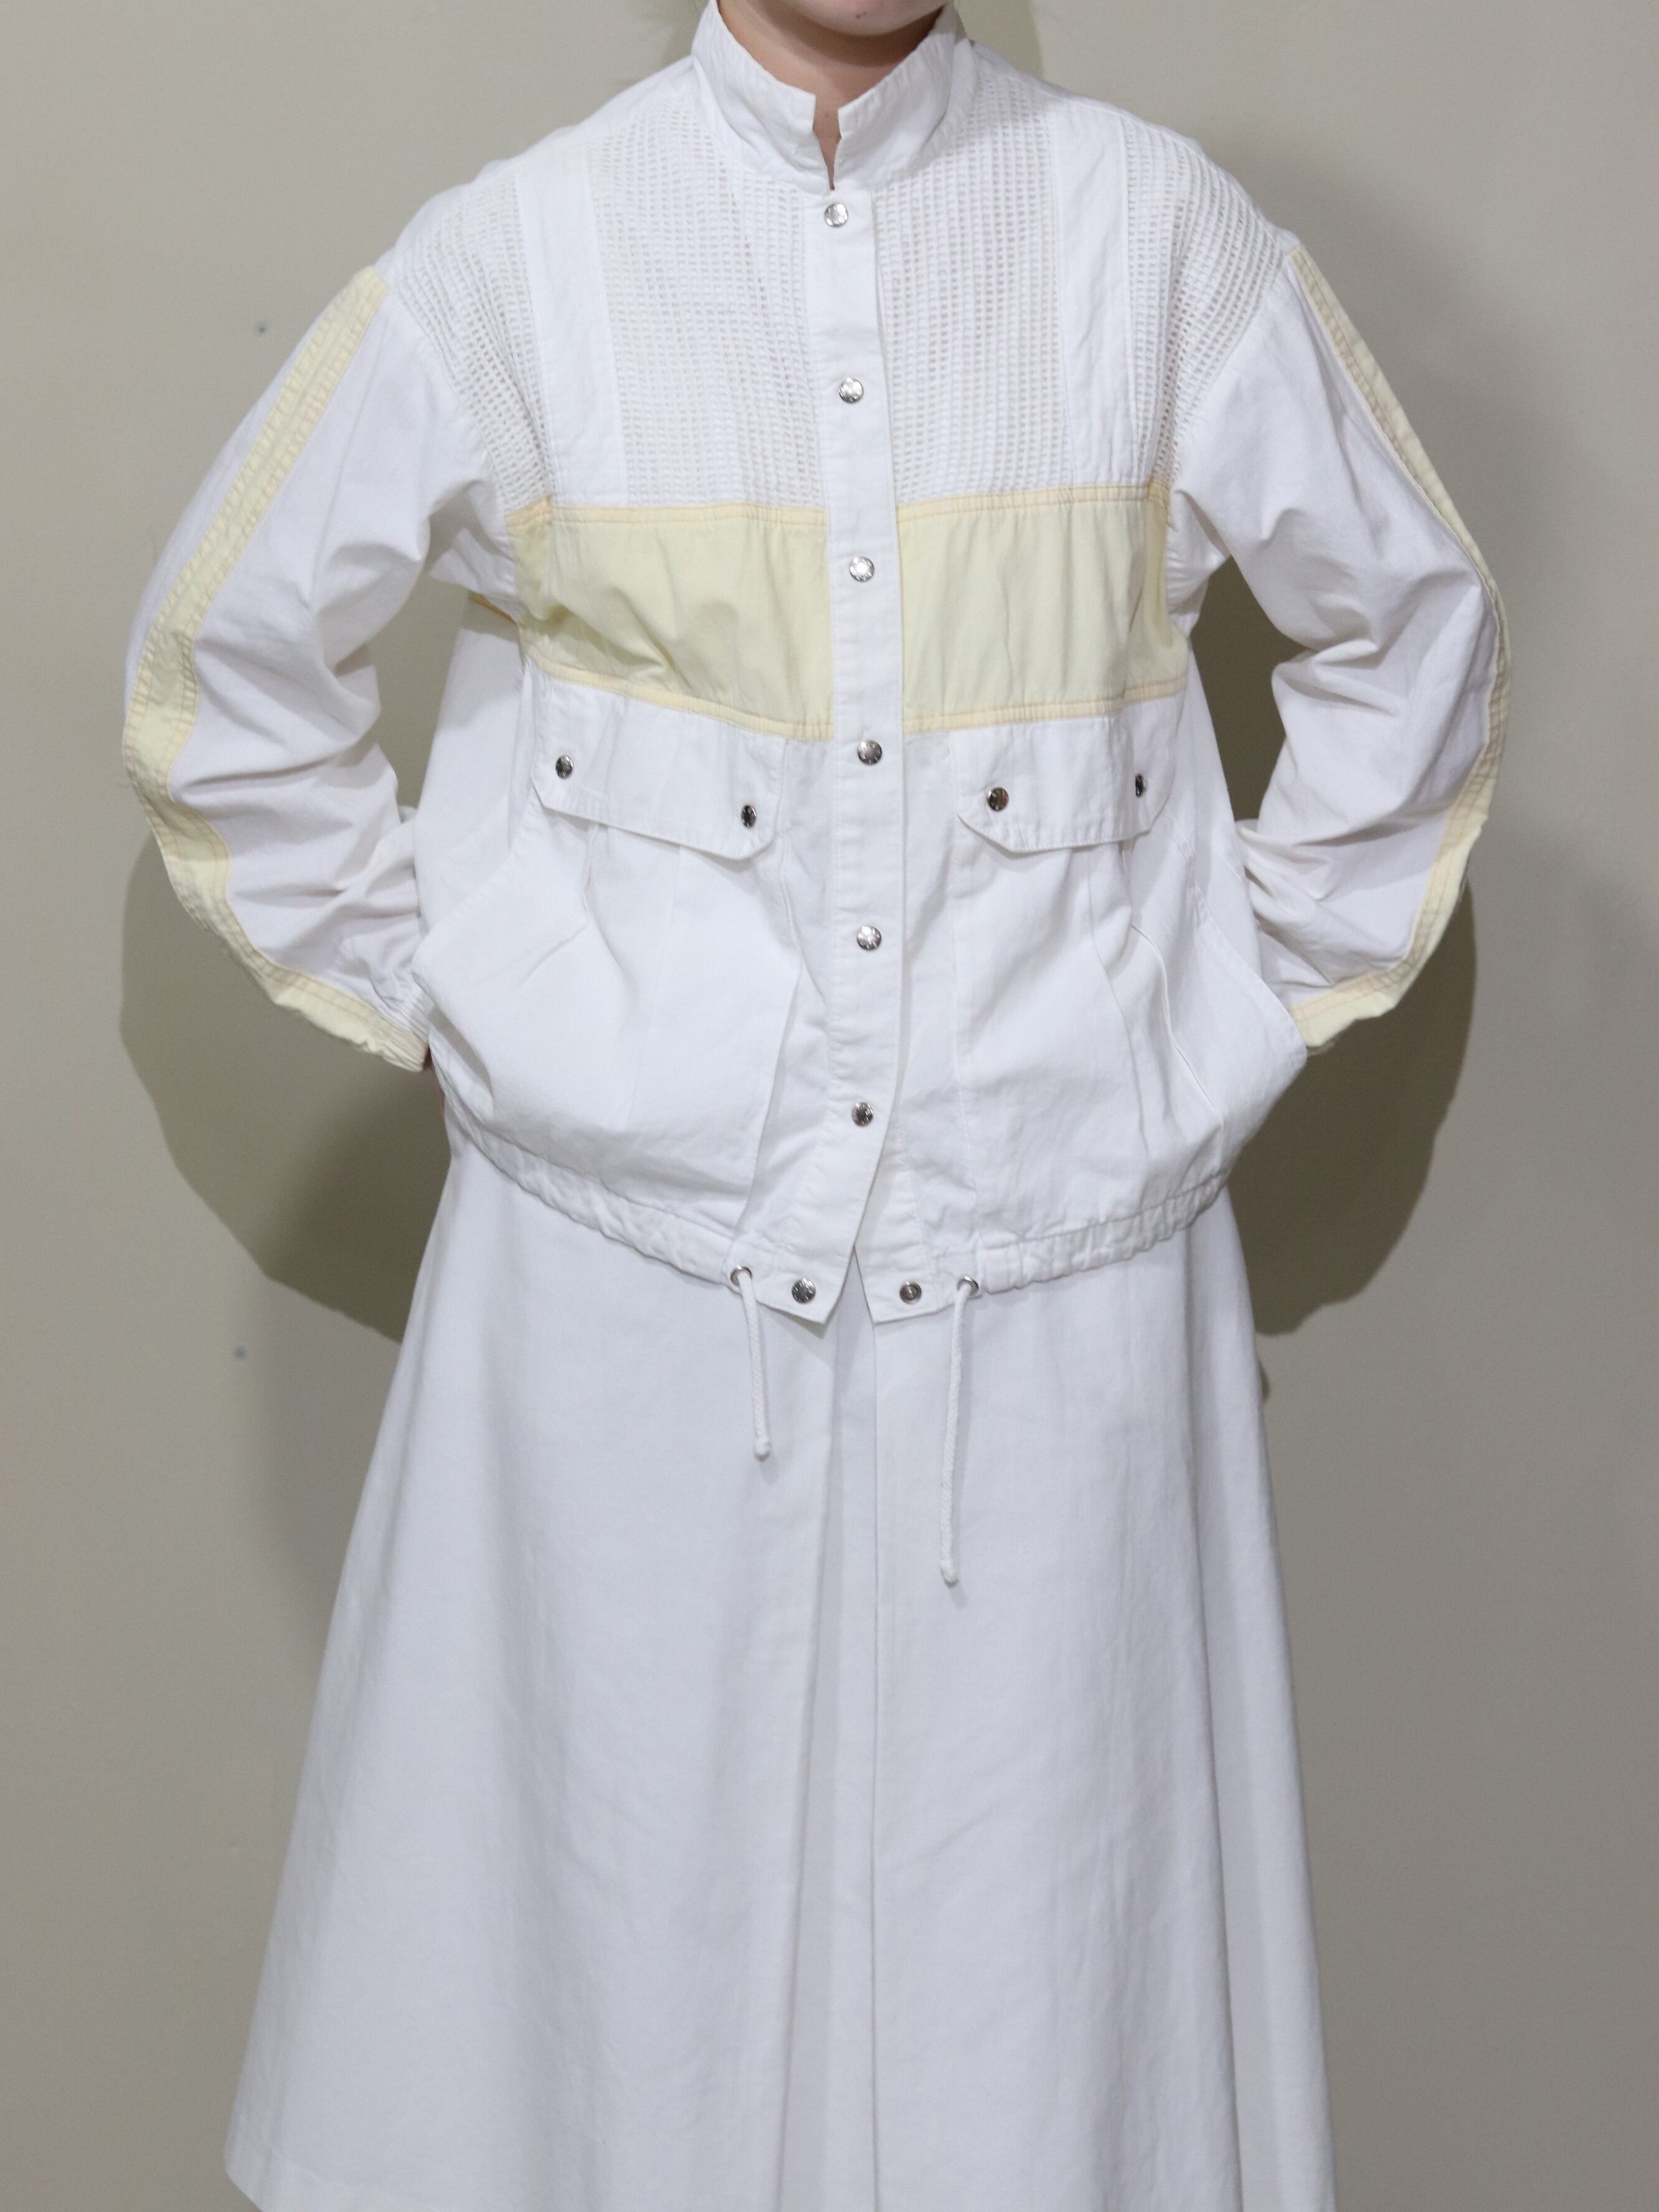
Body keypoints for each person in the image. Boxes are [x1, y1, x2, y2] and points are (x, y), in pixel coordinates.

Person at [123, 2, 1506, 2208]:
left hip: (1055, 1330)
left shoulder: (1153, 242)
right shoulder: (526, 261)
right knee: (592, 2010)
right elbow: (225, 676)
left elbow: (1413, 633)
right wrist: (488, 1007)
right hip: (623, 1328)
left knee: (1046, 2013)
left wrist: (1219, 1013)